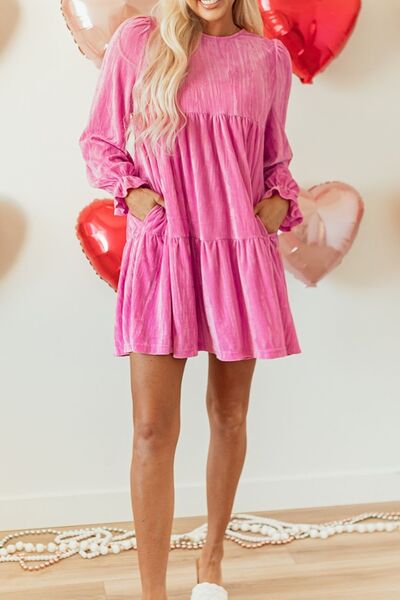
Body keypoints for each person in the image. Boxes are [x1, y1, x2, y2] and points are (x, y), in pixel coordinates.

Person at [79, 0, 303, 598]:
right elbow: (99, 140)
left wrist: (279, 199)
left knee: (229, 416)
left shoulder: (267, 58)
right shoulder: (139, 41)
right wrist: (138, 197)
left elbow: (274, 155)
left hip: (238, 253)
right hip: (166, 250)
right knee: (152, 431)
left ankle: (211, 559)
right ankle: (153, 592)